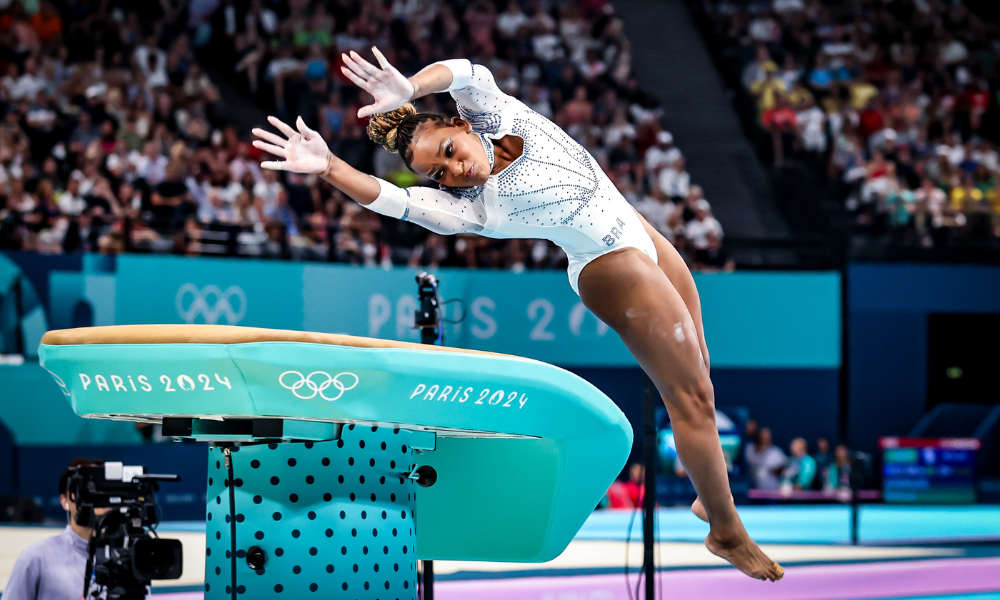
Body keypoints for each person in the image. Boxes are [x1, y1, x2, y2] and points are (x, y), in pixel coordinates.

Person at [252, 48, 783, 581]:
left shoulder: (497, 114)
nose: (455, 171)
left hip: (637, 230)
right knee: (689, 399)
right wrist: (330, 167)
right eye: (439, 173)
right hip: (608, 263)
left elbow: (464, 70)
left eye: (450, 150)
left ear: (462, 124)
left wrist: (409, 89)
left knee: (703, 375)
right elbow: (393, 200)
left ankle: (706, 495)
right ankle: (726, 530)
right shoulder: (472, 209)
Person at [4, 458, 106, 600]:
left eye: (101, 489)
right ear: (65, 500)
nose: (94, 499)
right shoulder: (36, 558)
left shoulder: (128, 559)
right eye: (85, 490)